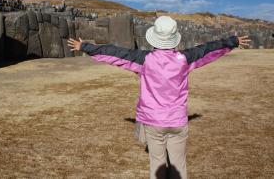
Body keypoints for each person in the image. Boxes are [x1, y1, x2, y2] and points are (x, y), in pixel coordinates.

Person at [67, 16, 250, 179]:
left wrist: (85, 47)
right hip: (178, 121)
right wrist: (231, 41)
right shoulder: (185, 59)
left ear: (154, 38)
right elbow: (207, 49)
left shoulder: (143, 60)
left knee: (158, 164)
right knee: (179, 165)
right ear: (174, 38)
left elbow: (115, 52)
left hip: (154, 122)